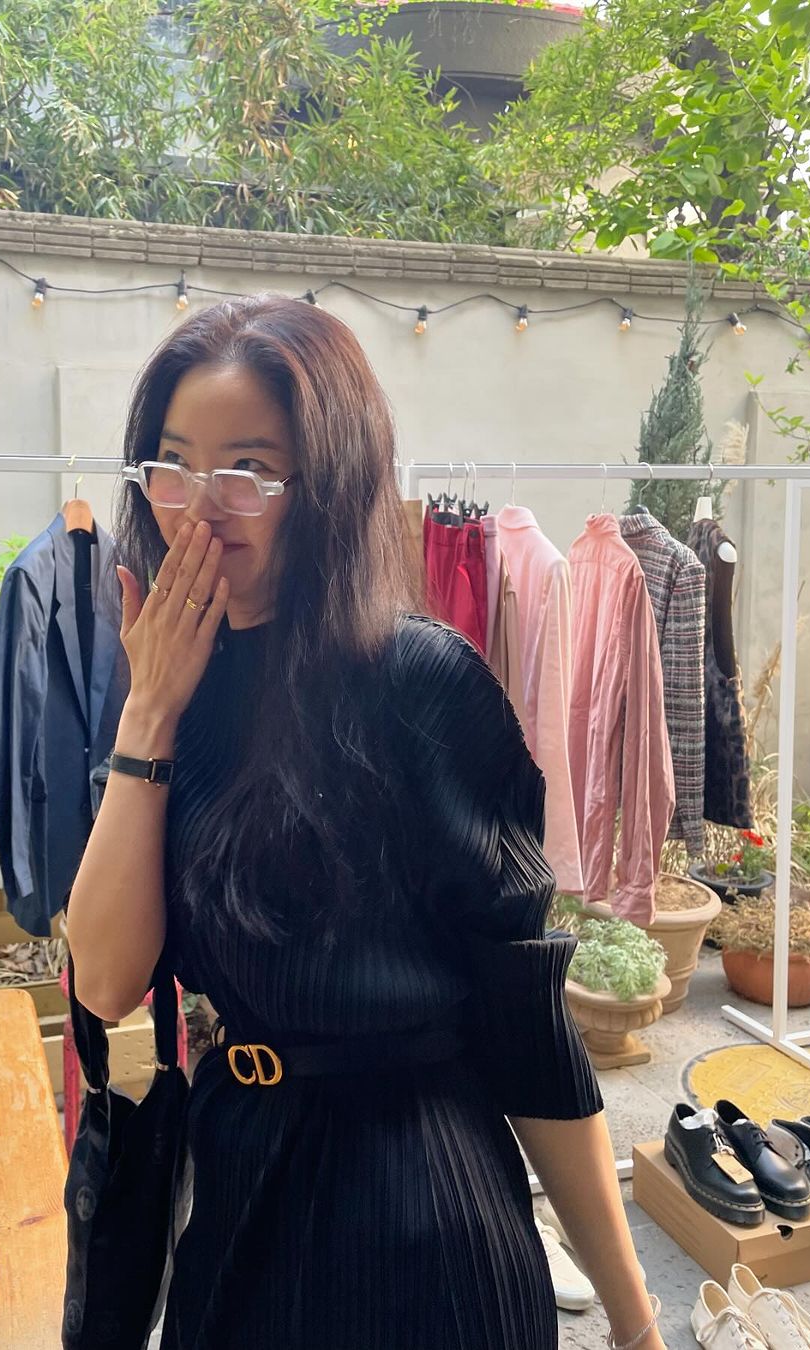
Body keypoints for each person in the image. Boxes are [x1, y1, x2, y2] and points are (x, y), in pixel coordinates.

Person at [68, 294, 663, 1350]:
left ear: (328, 485)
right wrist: (147, 710)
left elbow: (526, 1025)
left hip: (421, 1218)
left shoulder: (422, 681)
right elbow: (107, 982)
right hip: (241, 1180)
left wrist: (634, 1315)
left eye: (248, 469)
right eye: (174, 465)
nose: (200, 508)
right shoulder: (169, 684)